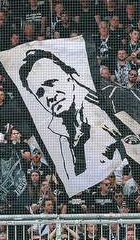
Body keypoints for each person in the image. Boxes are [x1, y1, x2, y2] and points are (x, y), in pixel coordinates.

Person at [19, 48, 120, 185]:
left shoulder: (106, 109)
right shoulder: (55, 131)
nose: (49, 96)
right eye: (40, 93)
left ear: (69, 76)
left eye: (51, 83)